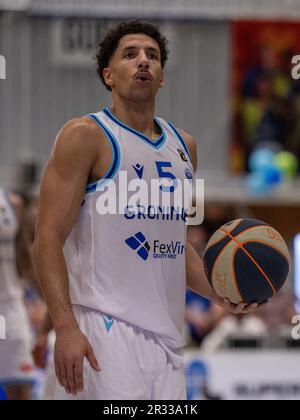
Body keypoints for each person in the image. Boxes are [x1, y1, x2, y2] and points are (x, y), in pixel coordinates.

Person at [33, 21, 259, 400]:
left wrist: (222, 294)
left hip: (167, 342)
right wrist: (66, 327)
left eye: (152, 56)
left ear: (162, 77)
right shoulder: (84, 136)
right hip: (102, 332)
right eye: (130, 54)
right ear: (108, 75)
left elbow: (174, 248)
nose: (143, 62)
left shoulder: (185, 146)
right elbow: (47, 238)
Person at [0, 190, 35, 400]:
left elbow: (24, 259)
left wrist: (49, 304)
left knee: (21, 390)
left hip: (10, 309)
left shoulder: (13, 203)